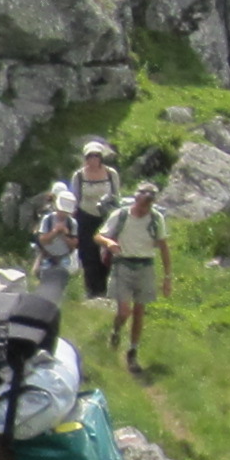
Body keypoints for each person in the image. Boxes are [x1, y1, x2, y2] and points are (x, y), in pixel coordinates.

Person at [103, 181, 168, 373]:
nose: (144, 208)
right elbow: (100, 235)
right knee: (124, 311)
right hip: (123, 264)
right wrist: (109, 243)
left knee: (140, 311)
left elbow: (163, 246)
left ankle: (132, 352)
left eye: (148, 204)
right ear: (136, 197)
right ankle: (116, 331)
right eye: (142, 202)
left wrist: (168, 277)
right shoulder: (121, 215)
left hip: (145, 266)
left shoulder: (156, 219)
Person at [69, 136, 123, 299]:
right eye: (90, 156)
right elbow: (75, 199)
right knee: (88, 253)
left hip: (106, 217)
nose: (93, 159)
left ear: (101, 157)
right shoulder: (79, 176)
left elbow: (116, 196)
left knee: (107, 251)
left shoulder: (110, 174)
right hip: (86, 217)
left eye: (96, 155)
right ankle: (92, 289)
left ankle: (105, 286)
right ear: (85, 158)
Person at [29, 184, 83, 300]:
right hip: (47, 257)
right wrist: (54, 232)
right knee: (44, 284)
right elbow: (43, 240)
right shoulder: (47, 219)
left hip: (63, 258)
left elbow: (74, 245)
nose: (63, 214)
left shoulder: (72, 223)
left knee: (60, 285)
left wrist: (64, 235)